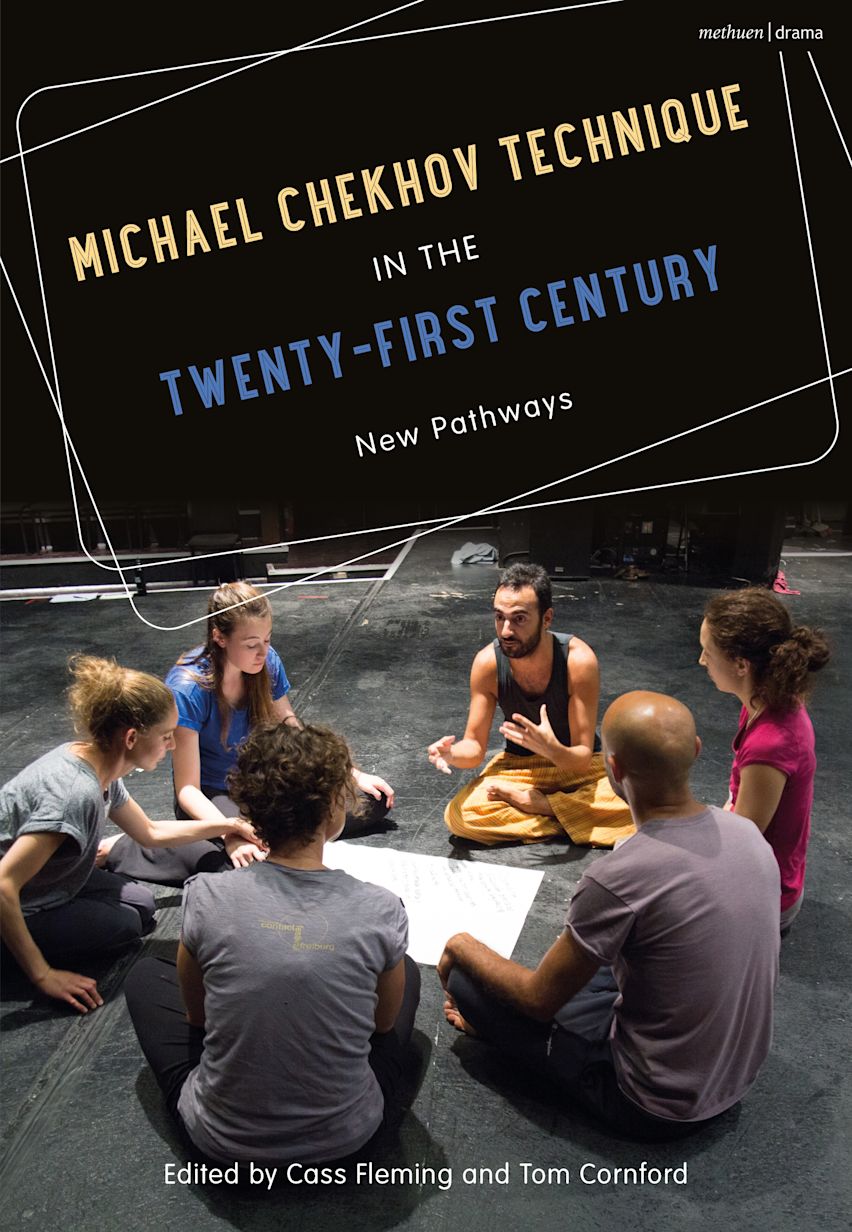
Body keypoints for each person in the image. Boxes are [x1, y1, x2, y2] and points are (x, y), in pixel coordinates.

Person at [438, 692, 780, 1140]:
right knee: (598, 960)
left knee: (467, 981)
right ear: (696, 750)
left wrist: (461, 945)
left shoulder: (617, 877)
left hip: (651, 1104)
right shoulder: (748, 834)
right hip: (735, 1076)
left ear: (613, 770)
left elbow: (538, 1000)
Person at [125, 723, 421, 1168]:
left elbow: (198, 1017)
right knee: (405, 971)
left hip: (223, 1146)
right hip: (347, 1142)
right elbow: (381, 1026)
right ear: (336, 807)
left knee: (146, 975)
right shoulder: (381, 909)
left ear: (250, 810)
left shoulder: (206, 894)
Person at [0, 656, 259, 1014]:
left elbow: (149, 832)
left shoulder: (101, 764)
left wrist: (229, 826)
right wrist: (44, 976)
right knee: (122, 925)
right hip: (15, 899)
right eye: (166, 736)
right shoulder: (75, 793)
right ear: (132, 737)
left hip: (44, 881)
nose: (172, 745)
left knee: (141, 905)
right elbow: (4, 884)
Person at [104, 581, 395, 882]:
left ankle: (260, 836)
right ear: (219, 637)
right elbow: (188, 789)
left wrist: (347, 774)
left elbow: (289, 724)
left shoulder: (267, 663)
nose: (262, 652)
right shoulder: (188, 689)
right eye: (251, 644)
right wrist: (230, 832)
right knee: (252, 860)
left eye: (267, 640)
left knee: (369, 801)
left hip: (261, 784)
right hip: (213, 796)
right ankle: (129, 848)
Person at [427, 562, 633, 845]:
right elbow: (474, 747)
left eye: (519, 619)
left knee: (639, 801)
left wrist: (552, 749)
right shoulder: (487, 664)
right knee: (459, 817)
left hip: (580, 769)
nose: (506, 630)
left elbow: (582, 758)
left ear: (546, 619)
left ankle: (542, 808)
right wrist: (452, 754)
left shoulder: (577, 661)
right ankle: (577, 818)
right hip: (521, 769)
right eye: (499, 617)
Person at [699, 587, 830, 932]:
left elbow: (743, 840)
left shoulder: (770, 742)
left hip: (767, 898)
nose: (701, 661)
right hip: (766, 873)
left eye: (708, 653)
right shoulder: (763, 700)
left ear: (741, 665)